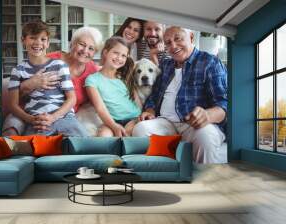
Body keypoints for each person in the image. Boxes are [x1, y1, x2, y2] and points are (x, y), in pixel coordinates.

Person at [132, 26, 228, 164]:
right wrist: (150, 110)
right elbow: (153, 96)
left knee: (205, 137)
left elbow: (224, 103)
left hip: (196, 125)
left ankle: (204, 181)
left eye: (178, 39)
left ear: (191, 37)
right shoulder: (165, 65)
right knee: (141, 129)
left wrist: (208, 115)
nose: (173, 46)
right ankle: (163, 175)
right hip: (166, 122)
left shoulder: (209, 62)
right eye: (168, 43)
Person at [2, 26, 103, 135]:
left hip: (63, 115)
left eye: (91, 48)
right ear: (72, 43)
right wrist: (29, 84)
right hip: (29, 111)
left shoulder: (93, 71)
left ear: (95, 52)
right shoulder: (49, 59)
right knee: (13, 132)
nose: (85, 51)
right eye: (82, 44)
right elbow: (15, 99)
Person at [85, 36, 142, 137]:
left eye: (124, 56)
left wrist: (138, 118)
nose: (119, 58)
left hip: (133, 118)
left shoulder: (125, 77)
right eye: (116, 53)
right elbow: (100, 108)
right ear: (106, 52)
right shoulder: (92, 80)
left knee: (126, 135)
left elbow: (137, 101)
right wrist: (114, 126)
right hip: (111, 121)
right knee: (104, 135)